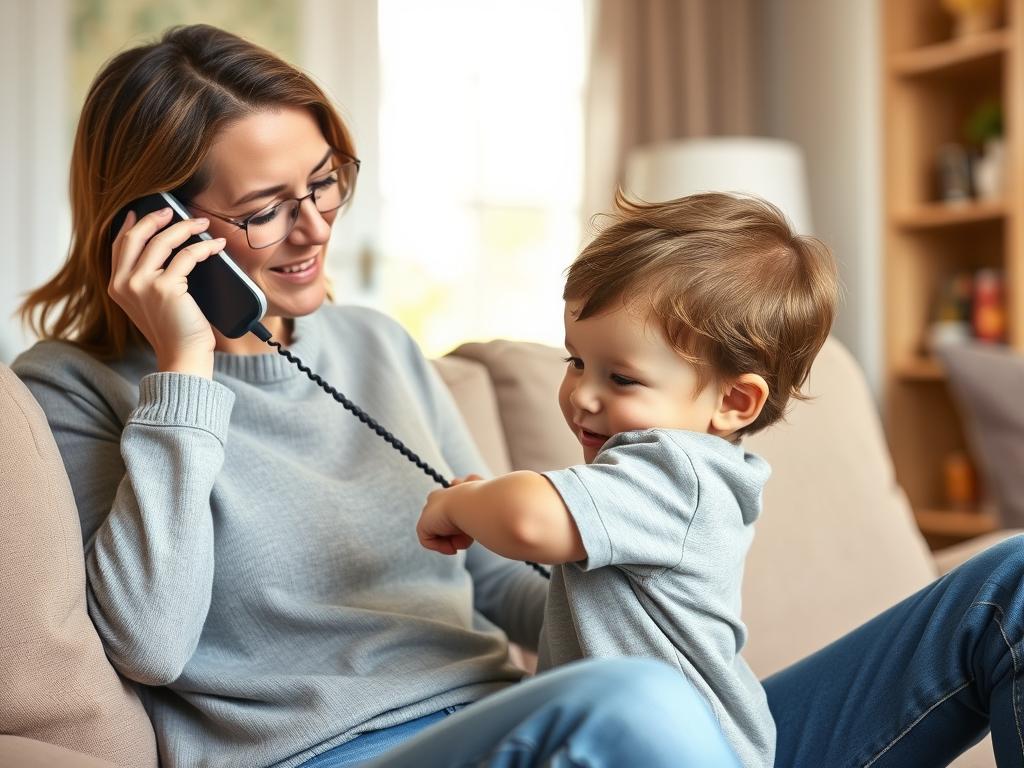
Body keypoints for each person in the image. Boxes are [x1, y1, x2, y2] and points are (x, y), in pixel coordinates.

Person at [11, 21, 1024, 768]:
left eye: (326, 180)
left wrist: (662, 583)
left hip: (554, 727)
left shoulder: (367, 345)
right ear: (153, 225)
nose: (317, 227)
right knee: (630, 709)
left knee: (1010, 584)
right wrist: (185, 375)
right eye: (267, 209)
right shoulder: (70, 391)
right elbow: (147, 644)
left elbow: (496, 584)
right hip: (364, 756)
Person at [416, 191, 840, 768]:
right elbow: (571, 615)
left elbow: (526, 517)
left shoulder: (674, 471)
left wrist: (464, 503)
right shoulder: (682, 481)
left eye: (621, 378)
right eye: (575, 362)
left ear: (734, 401)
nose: (581, 395)